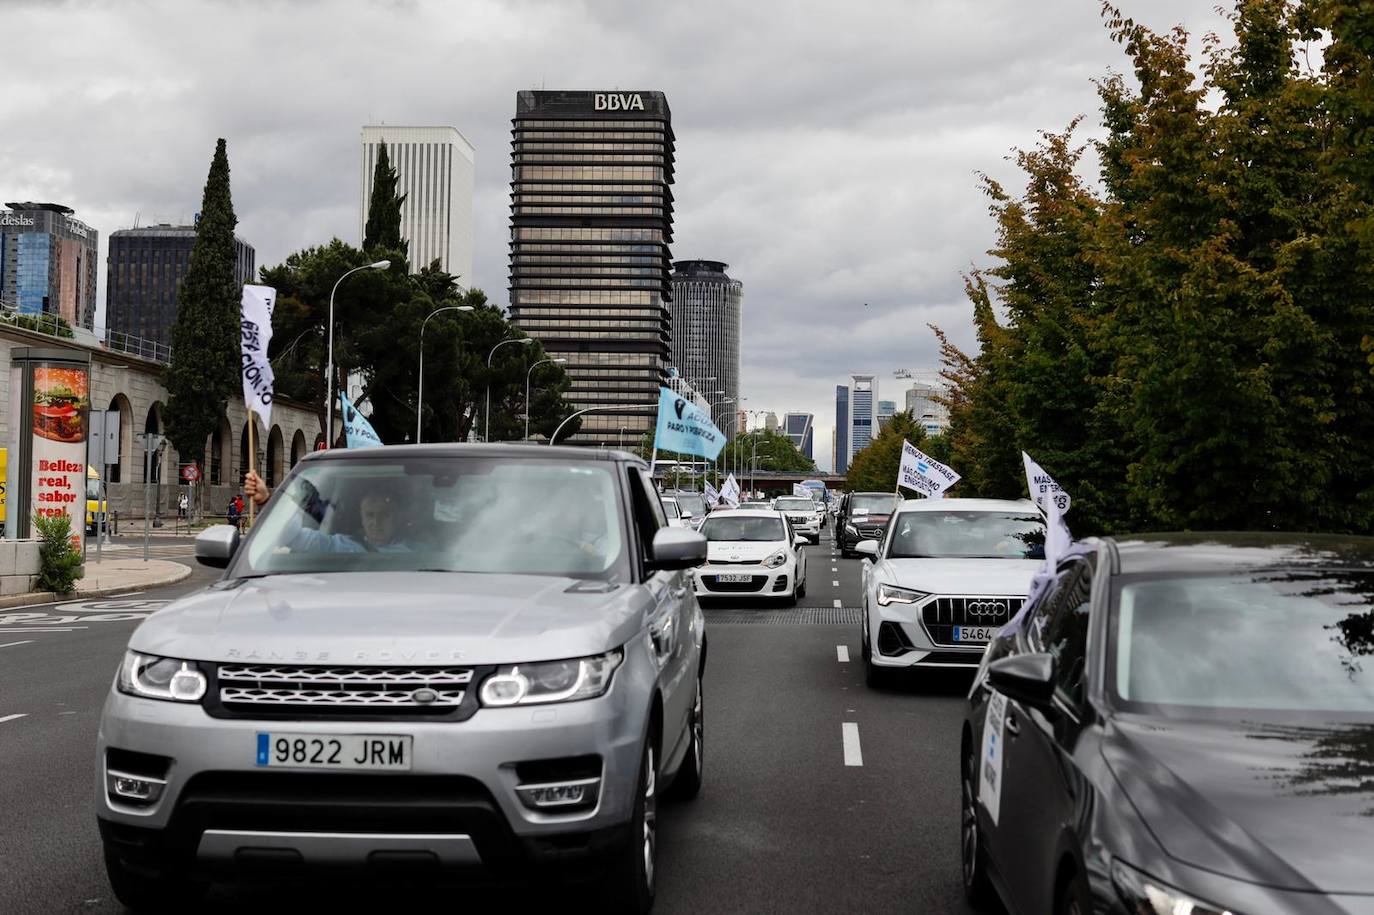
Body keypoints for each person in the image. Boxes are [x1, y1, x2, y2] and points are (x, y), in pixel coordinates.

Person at [243, 470, 413, 553]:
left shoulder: (419, 551)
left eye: (384, 515)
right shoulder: (341, 545)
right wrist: (266, 501)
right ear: (361, 518)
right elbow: (292, 536)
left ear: (396, 518)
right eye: (369, 515)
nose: (376, 522)